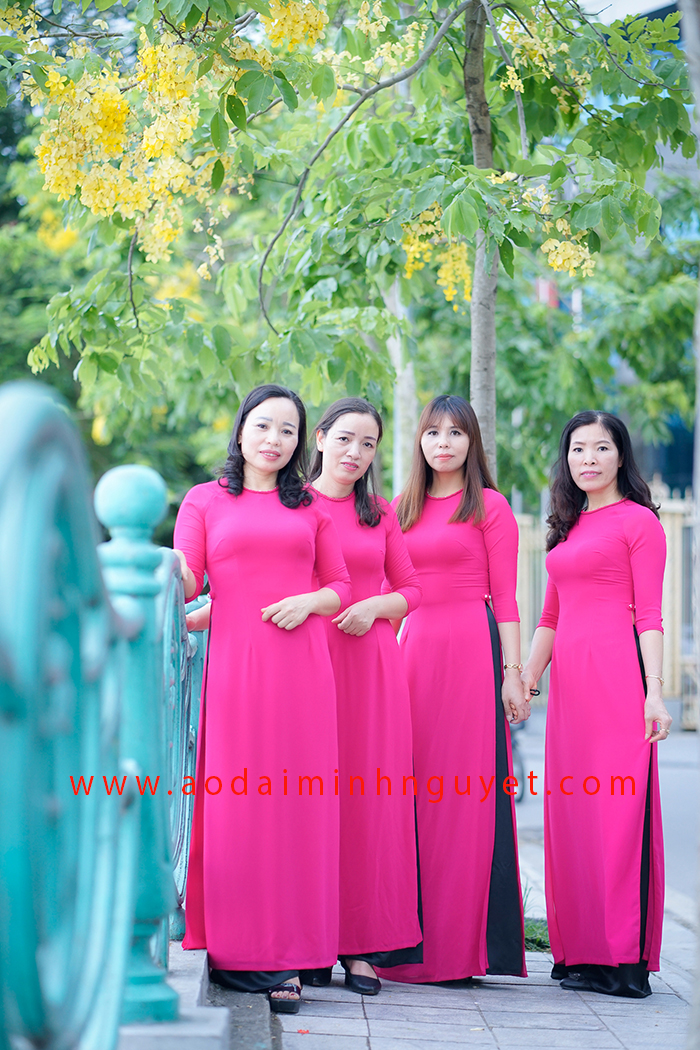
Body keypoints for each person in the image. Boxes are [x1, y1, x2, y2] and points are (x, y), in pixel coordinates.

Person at [173, 384, 351, 1014]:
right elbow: (189, 579)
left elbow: (340, 587)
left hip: (303, 672)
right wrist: (167, 576)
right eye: (264, 426)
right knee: (239, 805)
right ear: (242, 429)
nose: (274, 440)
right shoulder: (203, 500)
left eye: (288, 430)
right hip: (236, 672)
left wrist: (308, 601)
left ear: (301, 443)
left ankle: (289, 957)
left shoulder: (311, 510)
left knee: (297, 808)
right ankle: (237, 945)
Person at [378, 395, 529, 985]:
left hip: (470, 652)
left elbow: (507, 598)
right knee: (408, 791)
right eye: (433, 432)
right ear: (419, 441)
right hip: (411, 654)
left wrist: (513, 673)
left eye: (456, 433)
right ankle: (401, 943)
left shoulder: (490, 505)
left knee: (464, 797)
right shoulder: (400, 508)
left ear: (472, 442)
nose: (443, 443)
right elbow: (386, 593)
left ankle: (457, 951)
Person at [521, 411, 671, 999]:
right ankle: (581, 951)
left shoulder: (640, 522)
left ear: (621, 456)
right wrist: (526, 680)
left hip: (618, 682)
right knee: (574, 817)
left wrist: (653, 691)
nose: (588, 458)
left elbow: (650, 614)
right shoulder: (568, 526)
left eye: (601, 448)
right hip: (571, 692)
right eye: (578, 448)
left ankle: (622, 958)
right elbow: (550, 616)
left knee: (618, 815)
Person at [307, 397, 423, 995]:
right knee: (306, 798)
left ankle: (360, 947)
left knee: (367, 801)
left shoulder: (379, 513)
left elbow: (411, 589)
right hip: (308, 663)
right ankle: (308, 940)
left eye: (368, 444)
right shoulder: (293, 505)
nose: (355, 452)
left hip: (372, 666)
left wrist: (375, 606)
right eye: (345, 439)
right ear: (320, 438)